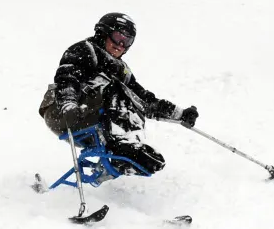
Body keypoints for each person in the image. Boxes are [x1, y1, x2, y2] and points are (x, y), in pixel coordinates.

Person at [38, 12, 199, 175]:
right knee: (115, 86)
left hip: (92, 119)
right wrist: (68, 104)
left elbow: (143, 99)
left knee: (131, 96)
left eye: (127, 41)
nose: (121, 45)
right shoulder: (85, 50)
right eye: (117, 37)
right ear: (103, 32)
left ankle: (129, 149)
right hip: (62, 112)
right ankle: (121, 144)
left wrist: (180, 114)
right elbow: (67, 79)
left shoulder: (121, 68)